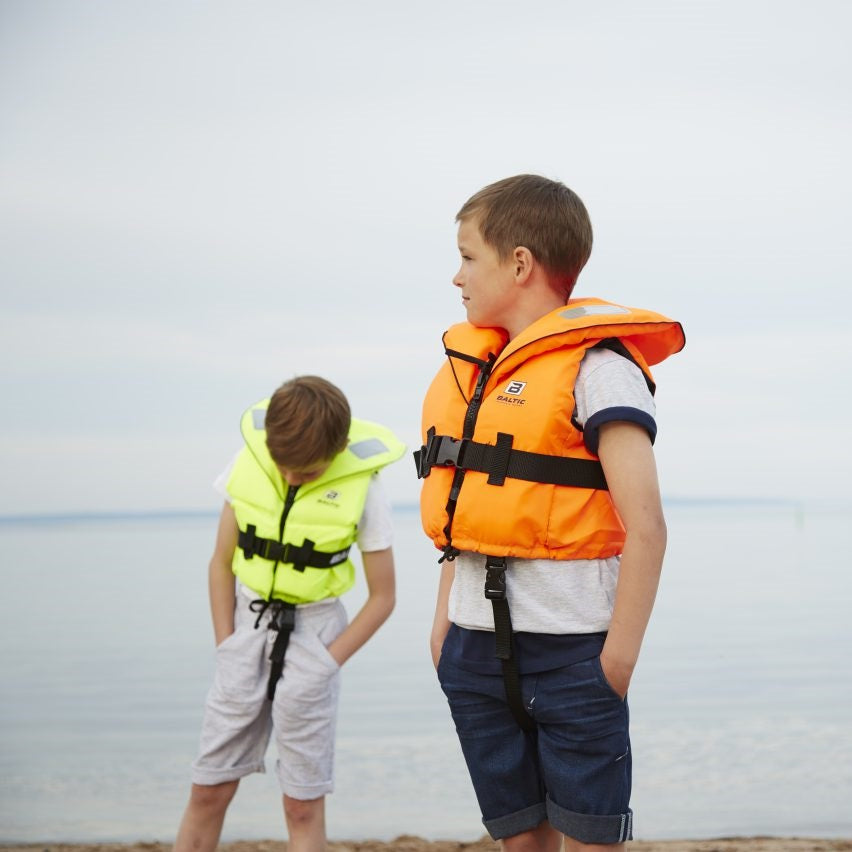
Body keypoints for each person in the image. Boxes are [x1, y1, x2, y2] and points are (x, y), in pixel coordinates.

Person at [416, 175, 685, 851]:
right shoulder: (478, 374)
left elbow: (647, 526)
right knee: (520, 843)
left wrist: (614, 663)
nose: (456, 277)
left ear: (520, 263)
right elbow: (466, 516)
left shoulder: (599, 368)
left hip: (573, 656)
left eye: (468, 256)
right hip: (473, 650)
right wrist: (444, 624)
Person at [174, 375, 405, 852]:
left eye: (310, 472)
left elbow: (383, 597)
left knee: (302, 804)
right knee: (208, 789)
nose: (293, 478)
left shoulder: (366, 490)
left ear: (338, 450)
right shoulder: (248, 465)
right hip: (245, 629)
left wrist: (326, 662)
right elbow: (220, 563)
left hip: (316, 634)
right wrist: (227, 644)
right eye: (285, 468)